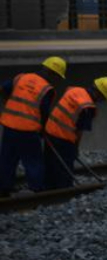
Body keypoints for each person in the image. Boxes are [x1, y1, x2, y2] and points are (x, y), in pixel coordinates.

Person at [0, 56, 66, 195]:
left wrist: (6, 103)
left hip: (9, 126)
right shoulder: (46, 89)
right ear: (52, 73)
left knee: (7, 159)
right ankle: (36, 190)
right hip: (28, 131)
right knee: (33, 161)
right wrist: (44, 131)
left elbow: (4, 88)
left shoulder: (21, 78)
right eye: (57, 76)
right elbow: (44, 113)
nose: (56, 79)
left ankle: (4, 189)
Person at [43, 77, 107, 190]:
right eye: (104, 98)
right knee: (64, 169)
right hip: (63, 138)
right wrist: (75, 148)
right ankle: (63, 191)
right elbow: (79, 131)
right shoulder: (87, 107)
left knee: (50, 165)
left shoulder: (75, 90)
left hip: (49, 130)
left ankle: (48, 190)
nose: (102, 101)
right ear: (100, 94)